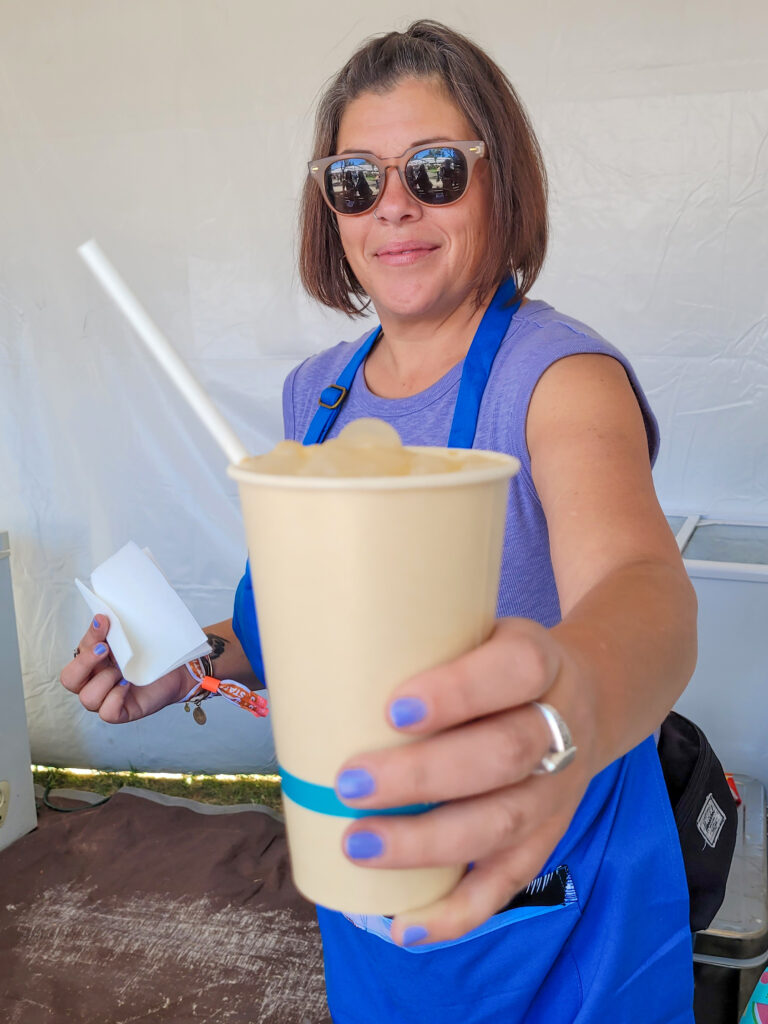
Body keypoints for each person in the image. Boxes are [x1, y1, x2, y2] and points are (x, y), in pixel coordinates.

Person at [60, 20, 698, 1023]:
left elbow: (644, 592)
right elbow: (323, 635)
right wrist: (191, 659)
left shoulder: (559, 379)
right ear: (332, 209)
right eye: (356, 179)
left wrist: (577, 693)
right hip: (368, 884)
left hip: (556, 898)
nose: (393, 204)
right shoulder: (315, 396)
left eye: (436, 170)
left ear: (503, 185)